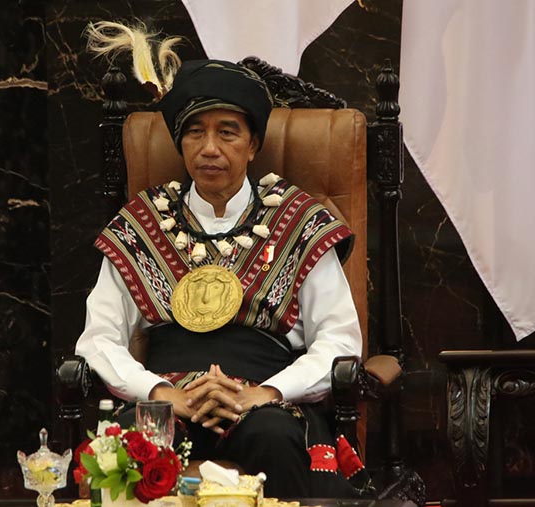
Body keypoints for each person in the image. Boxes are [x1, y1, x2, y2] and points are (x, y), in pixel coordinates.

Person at [75, 58, 369, 498]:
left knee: (276, 438)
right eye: (195, 132)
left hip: (263, 402)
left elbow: (341, 341)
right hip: (166, 402)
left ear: (252, 145)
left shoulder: (299, 221)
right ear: (180, 142)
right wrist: (160, 393)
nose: (209, 147)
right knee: (125, 449)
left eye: (227, 132)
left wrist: (267, 393)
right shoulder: (142, 224)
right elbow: (97, 339)